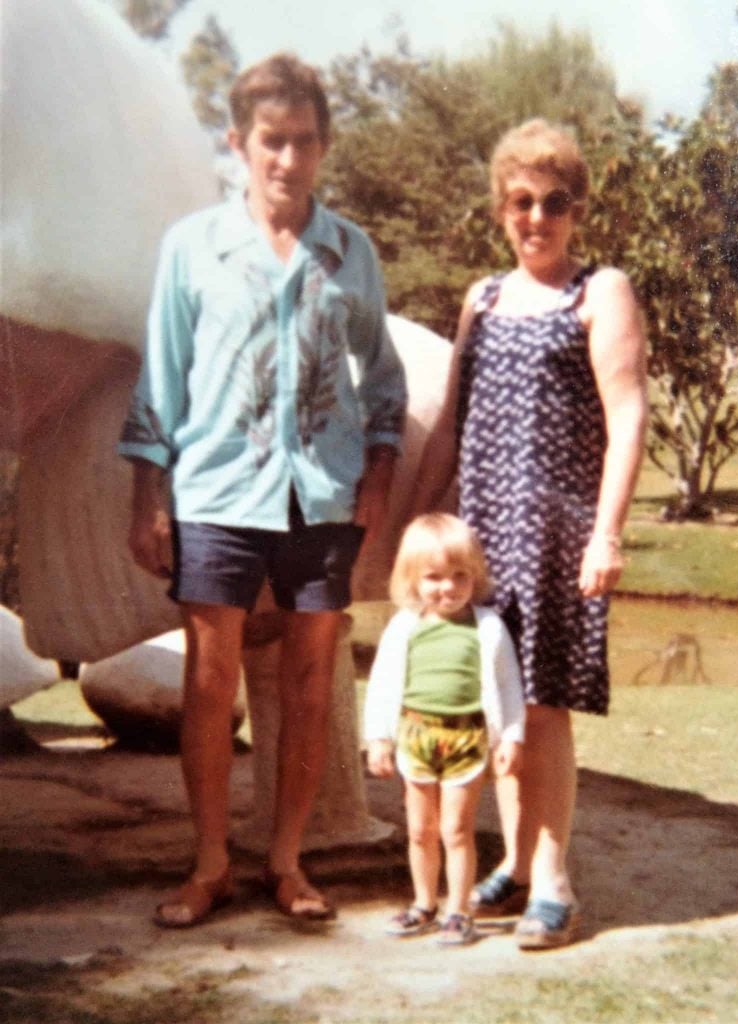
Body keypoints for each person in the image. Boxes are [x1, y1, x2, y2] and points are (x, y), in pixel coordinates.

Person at [118, 53, 406, 927]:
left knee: (312, 683)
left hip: (320, 494)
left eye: (305, 142)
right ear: (239, 144)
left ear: (324, 145)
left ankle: (288, 859)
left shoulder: (349, 252)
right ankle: (208, 862)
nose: (288, 160)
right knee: (211, 685)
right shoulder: (192, 247)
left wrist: (378, 476)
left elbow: (384, 380)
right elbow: (160, 378)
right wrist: (148, 494)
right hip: (215, 491)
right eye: (271, 143)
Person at [412, 119, 648, 948]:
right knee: (492, 703)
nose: (536, 217)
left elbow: (628, 418)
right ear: (500, 209)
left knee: (542, 709)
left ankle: (554, 882)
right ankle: (513, 863)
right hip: (481, 535)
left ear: (577, 208)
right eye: (520, 201)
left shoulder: (600, 291)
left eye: (553, 201)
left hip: (556, 531)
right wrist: (416, 528)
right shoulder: (480, 299)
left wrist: (607, 537)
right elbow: (449, 426)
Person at [364, 513, 525, 946]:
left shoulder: (488, 627)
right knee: (420, 829)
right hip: (416, 736)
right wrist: (378, 737)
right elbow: (381, 684)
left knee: (456, 829)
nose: (448, 588)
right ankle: (423, 904)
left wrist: (511, 735)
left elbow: (509, 685)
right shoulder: (404, 626)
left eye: (460, 577)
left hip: (466, 738)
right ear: (412, 579)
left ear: (475, 576)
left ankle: (458, 910)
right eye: (434, 577)